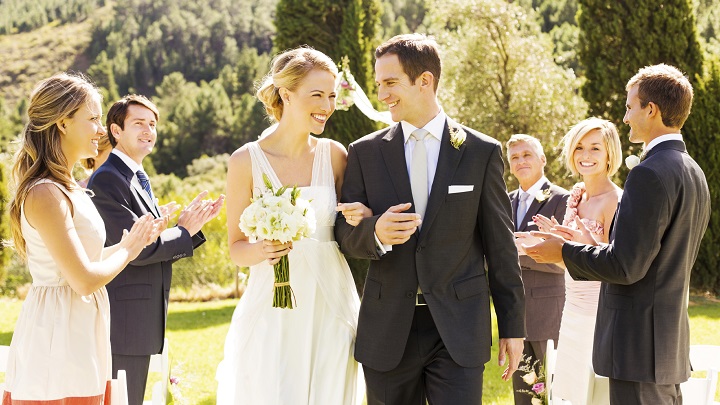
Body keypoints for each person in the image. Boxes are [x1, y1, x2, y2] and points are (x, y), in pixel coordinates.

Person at [335, 33, 526, 404]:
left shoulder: (480, 152)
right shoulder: (364, 153)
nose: (382, 94)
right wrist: (376, 232)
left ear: (425, 81)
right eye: (379, 84)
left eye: (390, 83)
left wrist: (512, 327)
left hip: (458, 329)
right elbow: (343, 231)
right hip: (388, 328)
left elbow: (501, 246)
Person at [524, 64, 710, 405]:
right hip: (666, 347)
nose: (625, 117)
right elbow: (652, 256)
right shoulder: (693, 171)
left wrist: (563, 252)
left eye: (629, 106)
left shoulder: (648, 173)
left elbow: (626, 265)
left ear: (650, 109)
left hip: (638, 350)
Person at [216, 47, 368, 405]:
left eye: (332, 96)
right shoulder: (245, 161)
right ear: (286, 94)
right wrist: (261, 250)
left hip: (330, 302)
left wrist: (361, 215)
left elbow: (350, 229)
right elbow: (236, 250)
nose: (327, 106)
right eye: (316, 95)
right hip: (273, 307)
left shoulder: (335, 155)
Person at [2, 73, 164, 404]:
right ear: (63, 122)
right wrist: (129, 250)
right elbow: (84, 280)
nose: (100, 130)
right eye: (92, 119)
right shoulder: (45, 193)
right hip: (57, 336)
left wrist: (129, 242)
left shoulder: (71, 188)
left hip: (80, 331)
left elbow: (87, 260)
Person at [87, 94, 224, 405]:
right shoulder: (110, 178)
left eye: (152, 124)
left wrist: (188, 227)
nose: (148, 130)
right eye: (139, 123)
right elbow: (136, 249)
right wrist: (184, 231)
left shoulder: (135, 177)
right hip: (123, 322)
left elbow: (147, 236)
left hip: (138, 320)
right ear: (116, 131)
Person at [525, 118, 623, 405]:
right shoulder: (576, 196)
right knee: (568, 393)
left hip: (599, 313)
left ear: (609, 154)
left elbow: (617, 265)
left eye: (595, 148)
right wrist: (548, 244)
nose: (585, 156)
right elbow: (568, 262)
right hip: (571, 311)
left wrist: (576, 246)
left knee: (593, 393)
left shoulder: (616, 200)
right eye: (579, 147)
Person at [506, 134, 568, 405]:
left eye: (527, 154)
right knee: (523, 395)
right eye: (515, 157)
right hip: (513, 315)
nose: (521, 161)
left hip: (548, 315)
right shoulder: (502, 201)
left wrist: (518, 251)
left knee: (550, 395)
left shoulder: (561, 200)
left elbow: (565, 261)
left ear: (542, 159)